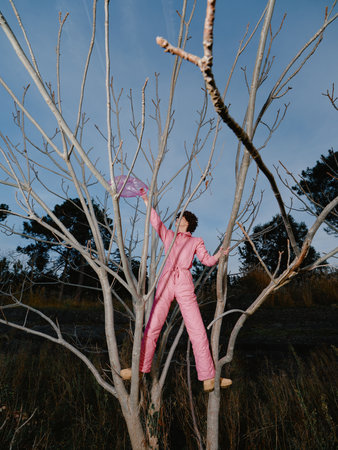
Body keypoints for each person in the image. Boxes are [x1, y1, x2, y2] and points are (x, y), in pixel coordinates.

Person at [121, 190, 232, 392]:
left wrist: (219, 255)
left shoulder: (196, 241)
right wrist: (147, 201)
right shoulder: (169, 236)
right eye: (177, 217)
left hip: (184, 281)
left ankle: (208, 378)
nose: (178, 220)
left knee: (197, 330)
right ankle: (138, 369)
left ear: (188, 222)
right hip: (165, 281)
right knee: (152, 326)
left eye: (181, 218)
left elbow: (206, 261)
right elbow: (156, 223)